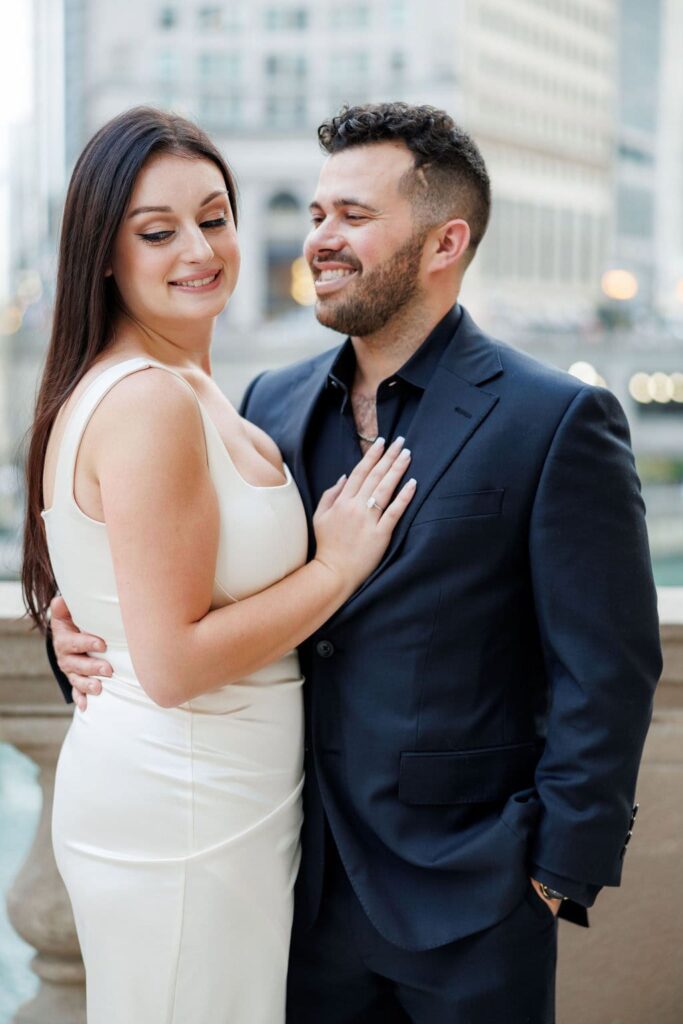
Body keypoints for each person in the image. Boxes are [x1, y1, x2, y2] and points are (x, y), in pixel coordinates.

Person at [49, 103, 662, 1024]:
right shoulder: (271, 403)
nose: (321, 239)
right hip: (289, 882)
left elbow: (607, 670)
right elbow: (190, 578)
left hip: (471, 900)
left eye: (355, 218)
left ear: (444, 242)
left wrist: (553, 874)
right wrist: (86, 627)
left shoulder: (554, 421)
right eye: (320, 213)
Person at [22, 106, 417, 1024]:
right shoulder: (148, 401)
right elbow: (171, 663)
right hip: (181, 806)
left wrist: (81, 615)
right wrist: (335, 568)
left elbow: (131, 586)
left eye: (214, 217)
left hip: (220, 798)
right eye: (157, 232)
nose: (199, 249)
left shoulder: (193, 387)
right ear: (104, 257)